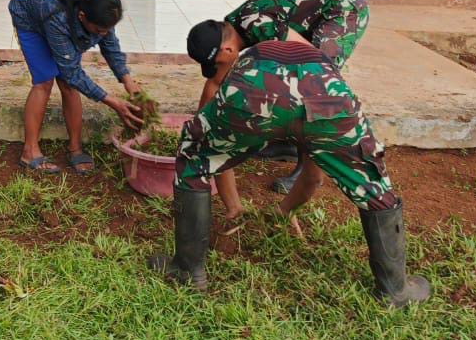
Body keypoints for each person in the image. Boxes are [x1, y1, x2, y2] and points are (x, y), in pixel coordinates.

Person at [149, 40, 431, 308]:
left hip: (254, 93)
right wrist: (286, 209)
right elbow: (313, 177)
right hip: (325, 100)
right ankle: (395, 290)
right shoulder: (323, 66)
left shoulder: (250, 51)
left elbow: (211, 123)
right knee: (373, 186)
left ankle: (188, 272)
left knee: (193, 156)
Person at [186, 0, 370, 216]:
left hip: (343, 5)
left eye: (218, 64)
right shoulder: (234, 28)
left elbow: (312, 61)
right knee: (281, 81)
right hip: (318, 9)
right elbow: (214, 83)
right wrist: (204, 129)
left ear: (228, 49)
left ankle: (310, 169)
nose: (219, 72)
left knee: (314, 84)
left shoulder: (258, 26)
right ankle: (286, 141)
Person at [8, 0, 144, 174]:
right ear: (82, 17)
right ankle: (29, 151)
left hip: (55, 8)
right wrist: (113, 102)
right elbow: (72, 71)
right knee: (44, 81)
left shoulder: (102, 5)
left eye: (107, 29)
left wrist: (128, 81)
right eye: (98, 30)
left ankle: (75, 148)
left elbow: (110, 46)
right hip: (29, 11)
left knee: (68, 84)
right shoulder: (58, 16)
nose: (102, 35)